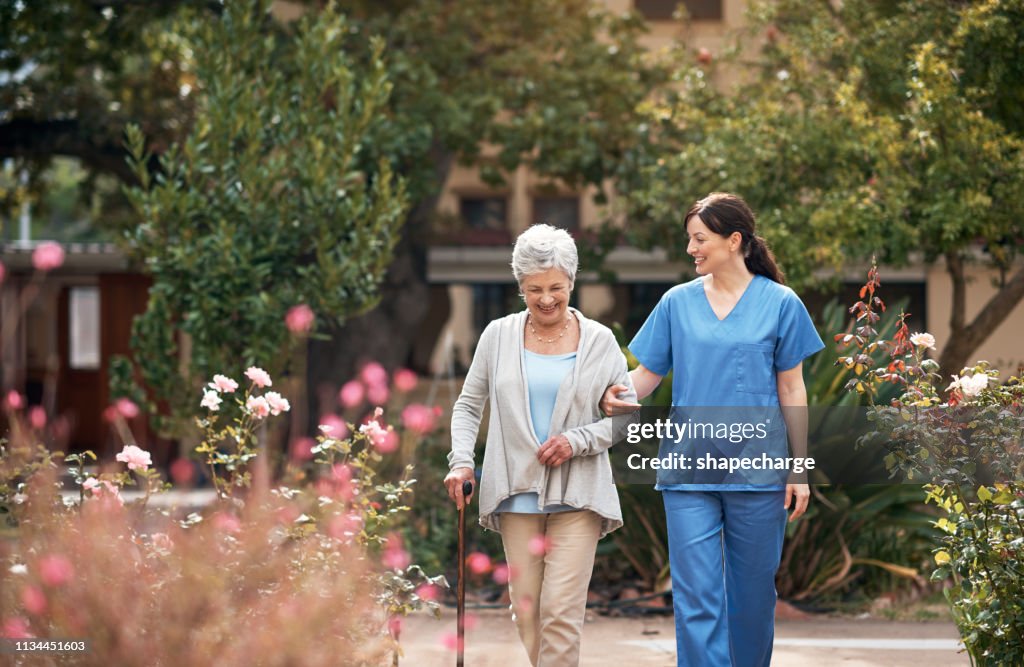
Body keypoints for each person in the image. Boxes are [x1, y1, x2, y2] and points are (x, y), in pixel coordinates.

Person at [601, 192, 824, 667]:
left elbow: (792, 389)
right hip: (688, 471)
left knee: (752, 598)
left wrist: (799, 468)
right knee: (696, 597)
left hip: (759, 471)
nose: (691, 249)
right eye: (690, 239)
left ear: (734, 240)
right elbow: (646, 376)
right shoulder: (676, 303)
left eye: (699, 239)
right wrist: (608, 395)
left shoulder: (781, 303)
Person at [445, 224, 636, 667]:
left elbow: (627, 419)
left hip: (579, 495)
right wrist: (461, 462)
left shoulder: (600, 341)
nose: (546, 298)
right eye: (534, 289)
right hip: (516, 494)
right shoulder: (497, 336)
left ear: (572, 281)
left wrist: (577, 441)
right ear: (521, 287)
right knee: (528, 612)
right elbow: (468, 406)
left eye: (555, 288)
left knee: (561, 614)